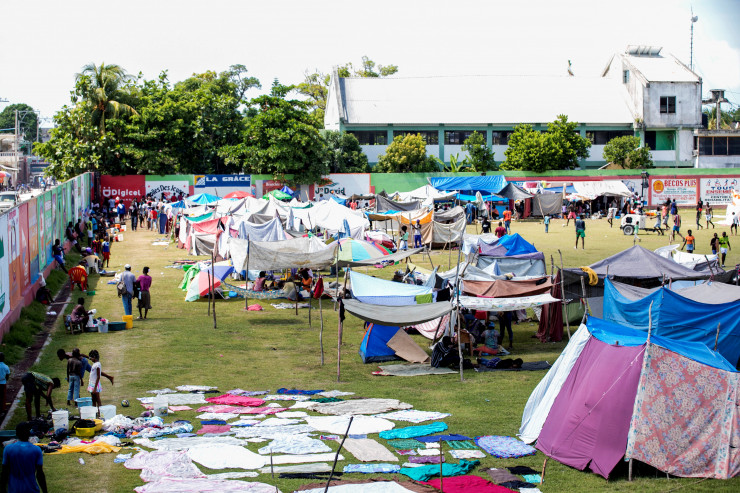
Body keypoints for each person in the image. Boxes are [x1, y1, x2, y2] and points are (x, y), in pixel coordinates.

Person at [1, 421, 48, 493]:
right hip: (32, 490)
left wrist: (3, 488)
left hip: (14, 490)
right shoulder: (36, 450)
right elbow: (40, 474)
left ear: (16, 434)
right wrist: (45, 491)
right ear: (29, 434)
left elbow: (4, 472)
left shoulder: (8, 449)